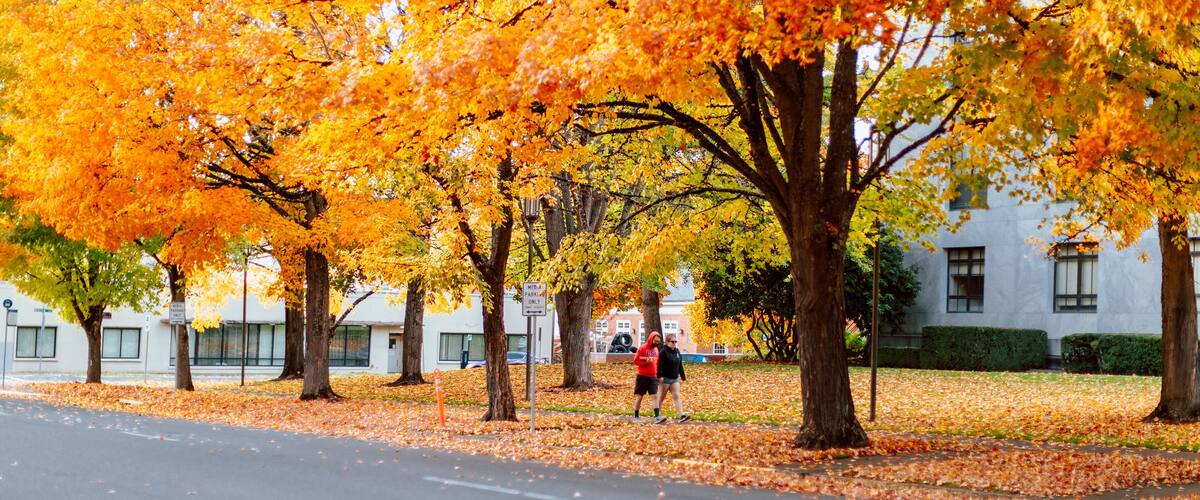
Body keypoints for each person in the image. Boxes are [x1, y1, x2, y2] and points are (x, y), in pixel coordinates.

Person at [654, 333, 689, 423]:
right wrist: (660, 376)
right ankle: (657, 416)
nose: (674, 343)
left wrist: (683, 376)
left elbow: (679, 364)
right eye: (672, 341)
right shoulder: (663, 352)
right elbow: (659, 365)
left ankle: (681, 415)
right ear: (667, 342)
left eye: (675, 341)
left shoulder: (677, 351)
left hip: (674, 378)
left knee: (676, 396)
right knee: (661, 397)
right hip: (665, 378)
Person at [631, 331, 662, 422]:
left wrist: (658, 374)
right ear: (651, 339)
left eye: (658, 342)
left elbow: (657, 363)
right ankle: (636, 416)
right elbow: (636, 361)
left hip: (653, 377)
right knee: (639, 397)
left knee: (655, 396)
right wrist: (646, 362)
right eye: (655, 341)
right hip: (642, 377)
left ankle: (657, 417)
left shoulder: (656, 350)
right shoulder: (642, 348)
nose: (656, 343)